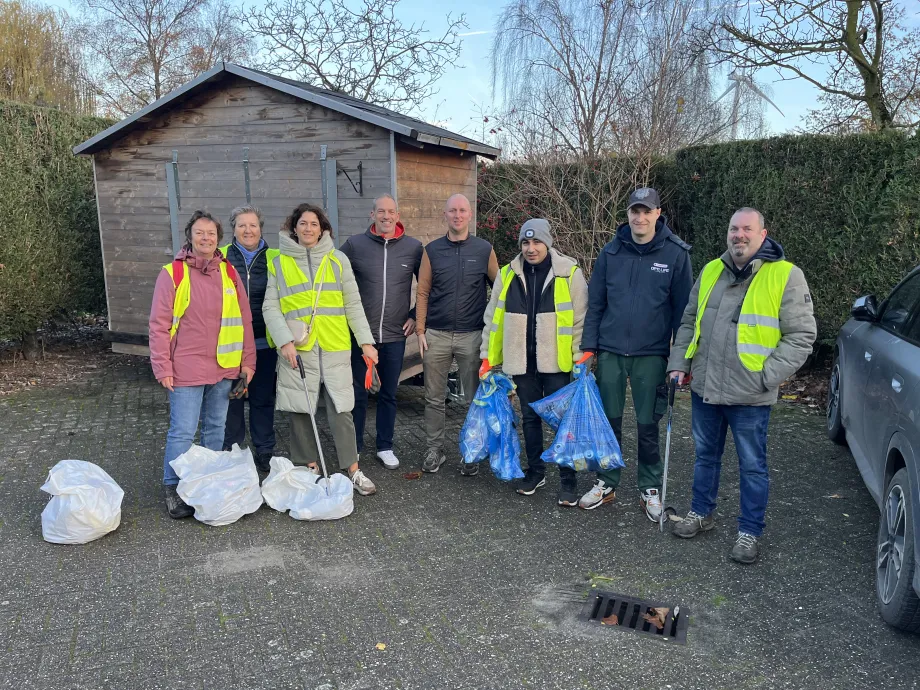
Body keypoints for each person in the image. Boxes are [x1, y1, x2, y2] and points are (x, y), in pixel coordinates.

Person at [668, 207, 816, 564]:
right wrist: (679, 363)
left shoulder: (786, 275)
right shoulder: (710, 270)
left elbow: (802, 336)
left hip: (750, 395)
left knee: (752, 466)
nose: (739, 235)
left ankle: (750, 531)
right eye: (734, 229)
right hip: (706, 388)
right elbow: (689, 321)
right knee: (705, 456)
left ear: (763, 234)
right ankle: (701, 513)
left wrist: (766, 377)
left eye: (747, 229)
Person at [578, 187, 693, 521]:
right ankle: (606, 481)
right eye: (634, 211)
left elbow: (683, 312)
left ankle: (649, 487)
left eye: (646, 211)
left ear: (658, 213)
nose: (639, 218)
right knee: (609, 422)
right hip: (611, 352)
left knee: (647, 426)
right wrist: (589, 349)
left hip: (652, 354)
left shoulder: (675, 254)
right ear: (627, 214)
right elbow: (595, 305)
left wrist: (680, 359)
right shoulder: (610, 253)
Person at [262, 203, 380, 496]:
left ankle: (352, 468)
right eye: (303, 223)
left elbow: (353, 304)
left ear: (323, 228)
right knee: (299, 410)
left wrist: (366, 343)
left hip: (335, 345)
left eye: (314, 224)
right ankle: (308, 468)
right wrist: (284, 341)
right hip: (298, 348)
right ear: (294, 227)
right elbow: (270, 306)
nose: (308, 229)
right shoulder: (279, 262)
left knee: (342, 410)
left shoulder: (338, 260)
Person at [149, 210, 256, 519]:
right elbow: (158, 325)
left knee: (214, 429)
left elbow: (244, 321)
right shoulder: (172, 274)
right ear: (190, 237)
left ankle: (206, 483)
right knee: (182, 431)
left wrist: (248, 362)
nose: (206, 238)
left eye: (211, 233)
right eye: (200, 233)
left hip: (223, 365)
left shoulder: (230, 273)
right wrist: (163, 367)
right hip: (185, 366)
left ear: (218, 238)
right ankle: (173, 486)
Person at [479, 219, 589, 504]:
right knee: (530, 418)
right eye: (525, 243)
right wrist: (487, 357)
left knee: (562, 422)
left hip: (557, 363)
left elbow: (580, 320)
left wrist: (581, 358)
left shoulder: (569, 274)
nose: (531, 248)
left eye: (536, 242)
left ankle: (568, 480)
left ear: (548, 243)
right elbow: (493, 319)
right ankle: (536, 471)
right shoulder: (507, 275)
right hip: (521, 362)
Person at [415, 193, 499, 474]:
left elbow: (498, 292)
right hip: (436, 334)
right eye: (452, 210)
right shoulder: (432, 250)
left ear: (470, 215)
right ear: (445, 215)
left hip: (472, 335)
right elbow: (423, 290)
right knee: (433, 397)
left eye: (462, 210)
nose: (458, 215)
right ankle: (434, 450)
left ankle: (472, 452)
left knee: (474, 399)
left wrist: (494, 335)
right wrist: (420, 329)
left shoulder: (484, 249)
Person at [341, 194, 422, 470]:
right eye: (381, 211)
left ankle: (385, 446)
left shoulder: (413, 248)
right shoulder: (354, 245)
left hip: (395, 335)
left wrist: (415, 316)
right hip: (361, 336)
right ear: (372, 214)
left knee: (389, 393)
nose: (386, 216)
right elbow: (334, 279)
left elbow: (427, 287)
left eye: (391, 212)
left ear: (398, 215)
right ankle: (356, 447)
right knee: (359, 394)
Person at [219, 205, 280, 480]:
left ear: (261, 228)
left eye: (253, 225)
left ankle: (264, 449)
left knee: (262, 398)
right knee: (231, 398)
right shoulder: (220, 257)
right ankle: (232, 449)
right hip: (230, 343)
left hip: (263, 342)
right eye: (242, 225)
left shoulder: (276, 258)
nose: (248, 230)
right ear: (233, 229)